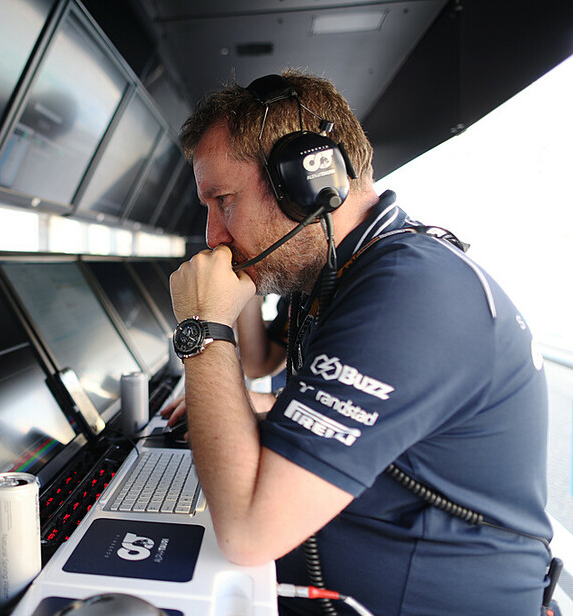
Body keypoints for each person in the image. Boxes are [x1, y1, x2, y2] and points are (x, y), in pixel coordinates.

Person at [161, 68, 553, 615]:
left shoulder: (410, 293)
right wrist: (273, 401)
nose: (212, 235)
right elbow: (373, 405)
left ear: (307, 181)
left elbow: (249, 532)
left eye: (223, 200)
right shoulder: (335, 272)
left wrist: (203, 325)